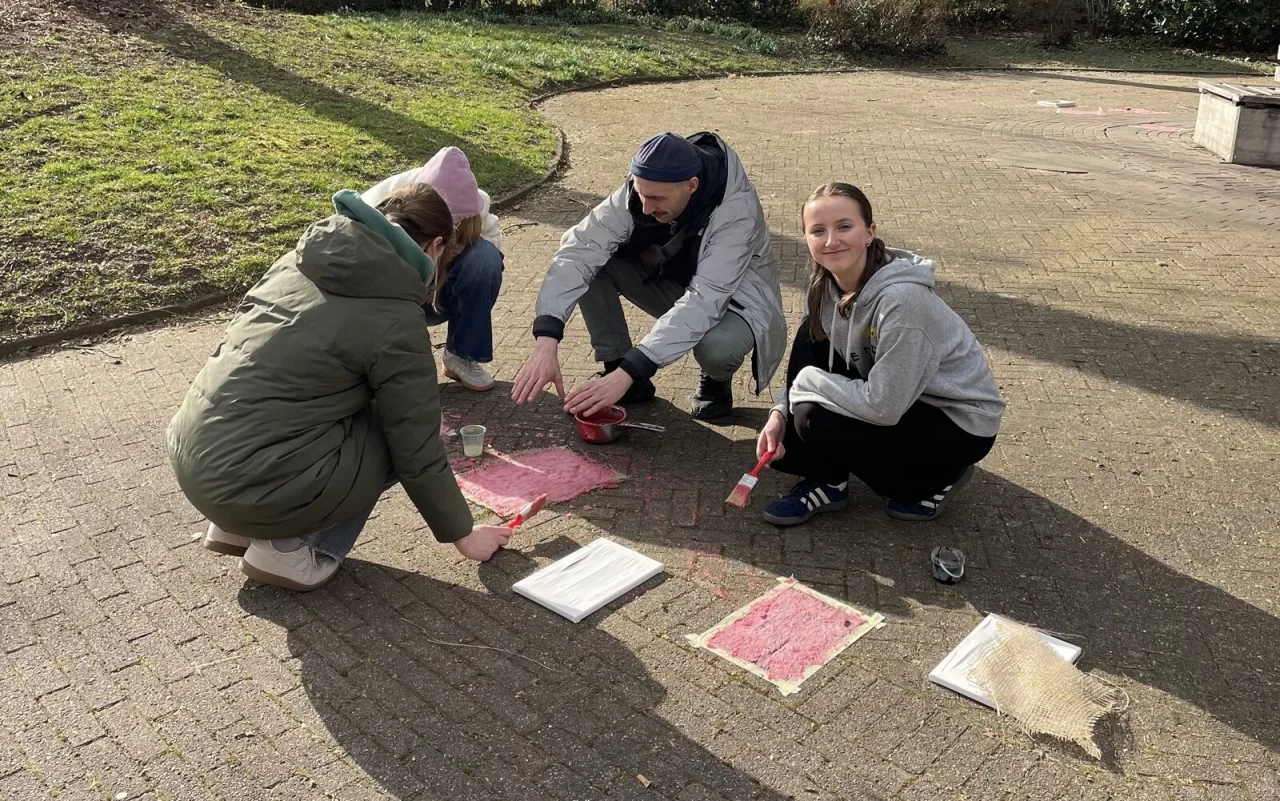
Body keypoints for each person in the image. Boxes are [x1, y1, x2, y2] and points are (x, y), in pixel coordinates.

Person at [166, 184, 512, 592]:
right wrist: (463, 534)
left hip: (195, 457)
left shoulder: (295, 262)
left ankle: (238, 527)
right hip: (252, 484)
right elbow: (415, 446)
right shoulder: (396, 316)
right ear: (436, 246)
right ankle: (289, 550)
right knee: (400, 427)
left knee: (328, 405)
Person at [756, 182, 1005, 526]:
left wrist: (808, 383)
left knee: (816, 418)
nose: (831, 240)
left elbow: (884, 407)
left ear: (870, 232)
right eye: (818, 230)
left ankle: (940, 477)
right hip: (895, 393)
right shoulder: (822, 286)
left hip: (956, 419)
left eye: (844, 226)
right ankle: (828, 483)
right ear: (806, 239)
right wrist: (779, 414)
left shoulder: (902, 300)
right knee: (805, 378)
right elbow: (809, 362)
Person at [511, 131, 787, 421]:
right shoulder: (644, 186)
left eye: (656, 198)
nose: (645, 208)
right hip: (679, 284)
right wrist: (546, 340)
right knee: (593, 264)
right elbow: (579, 251)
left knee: (718, 349)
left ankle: (716, 380)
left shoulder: (737, 213)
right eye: (641, 194)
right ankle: (619, 369)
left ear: (691, 186)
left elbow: (705, 301)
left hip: (732, 303)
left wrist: (635, 367)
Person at [363, 147, 505, 392]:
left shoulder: (475, 201)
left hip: (442, 293)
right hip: (392, 293)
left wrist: (450, 258)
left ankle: (460, 355)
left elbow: (492, 247)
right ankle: (380, 361)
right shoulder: (383, 203)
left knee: (485, 257)